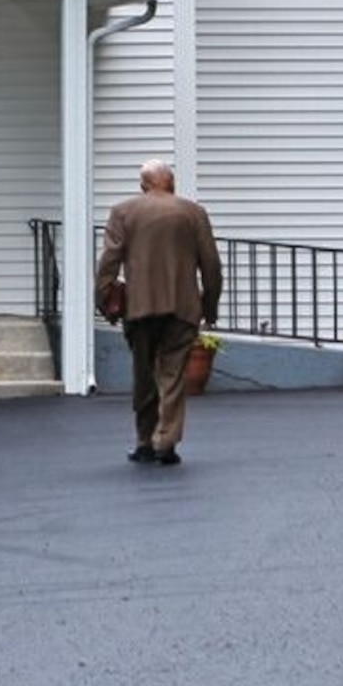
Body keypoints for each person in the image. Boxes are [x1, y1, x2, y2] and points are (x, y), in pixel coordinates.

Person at [96, 158, 222, 468]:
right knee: (172, 375)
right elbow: (211, 265)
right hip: (182, 308)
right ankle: (166, 441)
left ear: (143, 186)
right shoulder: (194, 213)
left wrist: (103, 299)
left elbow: (109, 262)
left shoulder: (123, 212)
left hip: (140, 308)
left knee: (143, 374)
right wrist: (210, 305)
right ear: (172, 183)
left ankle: (144, 442)